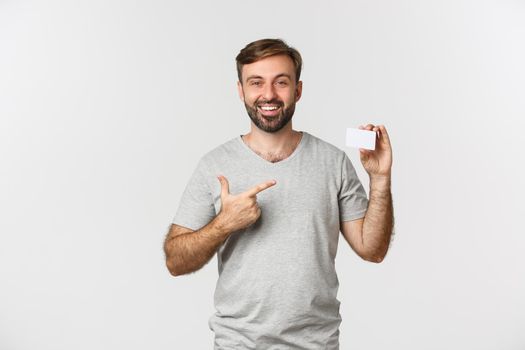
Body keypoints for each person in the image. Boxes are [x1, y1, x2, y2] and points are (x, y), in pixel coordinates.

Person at [163, 38, 394, 350]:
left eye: (280, 82)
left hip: (317, 344)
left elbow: (372, 249)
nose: (268, 94)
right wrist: (224, 224)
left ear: (297, 90)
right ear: (240, 90)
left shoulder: (333, 162)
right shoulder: (213, 165)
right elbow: (176, 261)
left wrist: (379, 179)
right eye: (256, 83)